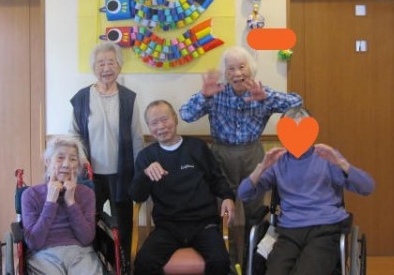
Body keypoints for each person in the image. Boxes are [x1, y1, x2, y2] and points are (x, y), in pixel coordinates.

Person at [179, 46, 303, 267]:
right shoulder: (215, 93)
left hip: (252, 154)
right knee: (222, 210)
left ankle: (251, 260)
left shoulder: (262, 93)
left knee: (255, 211)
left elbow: (297, 103)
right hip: (220, 154)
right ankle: (225, 261)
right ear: (225, 73)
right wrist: (203, 95)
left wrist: (267, 97)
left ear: (250, 69)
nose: (237, 73)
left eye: (242, 67)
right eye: (231, 69)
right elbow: (186, 114)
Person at [238, 107, 375, 275]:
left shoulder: (327, 157)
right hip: (289, 231)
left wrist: (342, 164)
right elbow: (244, 194)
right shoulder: (277, 162)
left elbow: (367, 187)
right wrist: (262, 167)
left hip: (324, 228)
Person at [130, 100, 236, 275]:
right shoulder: (146, 157)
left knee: (220, 261)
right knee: (144, 262)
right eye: (154, 123)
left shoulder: (197, 147)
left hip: (203, 224)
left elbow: (217, 179)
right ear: (149, 127)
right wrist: (146, 174)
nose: (161, 126)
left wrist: (228, 197)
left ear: (175, 119)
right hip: (168, 226)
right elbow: (137, 195)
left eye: (165, 119)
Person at [70, 42, 143, 265]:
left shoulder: (128, 98)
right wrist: (81, 161)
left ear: (119, 66)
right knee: (88, 221)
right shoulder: (82, 98)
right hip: (90, 174)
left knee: (123, 224)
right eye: (101, 63)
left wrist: (139, 174)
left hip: (122, 173)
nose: (106, 68)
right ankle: (91, 264)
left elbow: (137, 137)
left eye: (111, 62)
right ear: (94, 68)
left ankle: (122, 265)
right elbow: (74, 135)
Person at [21, 136, 106, 275]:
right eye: (60, 157)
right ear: (48, 161)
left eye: (73, 159)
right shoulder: (31, 195)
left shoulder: (86, 193)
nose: (66, 164)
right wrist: (50, 202)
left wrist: (71, 202)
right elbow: (34, 242)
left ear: (77, 165)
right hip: (43, 254)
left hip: (81, 253)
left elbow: (86, 239)